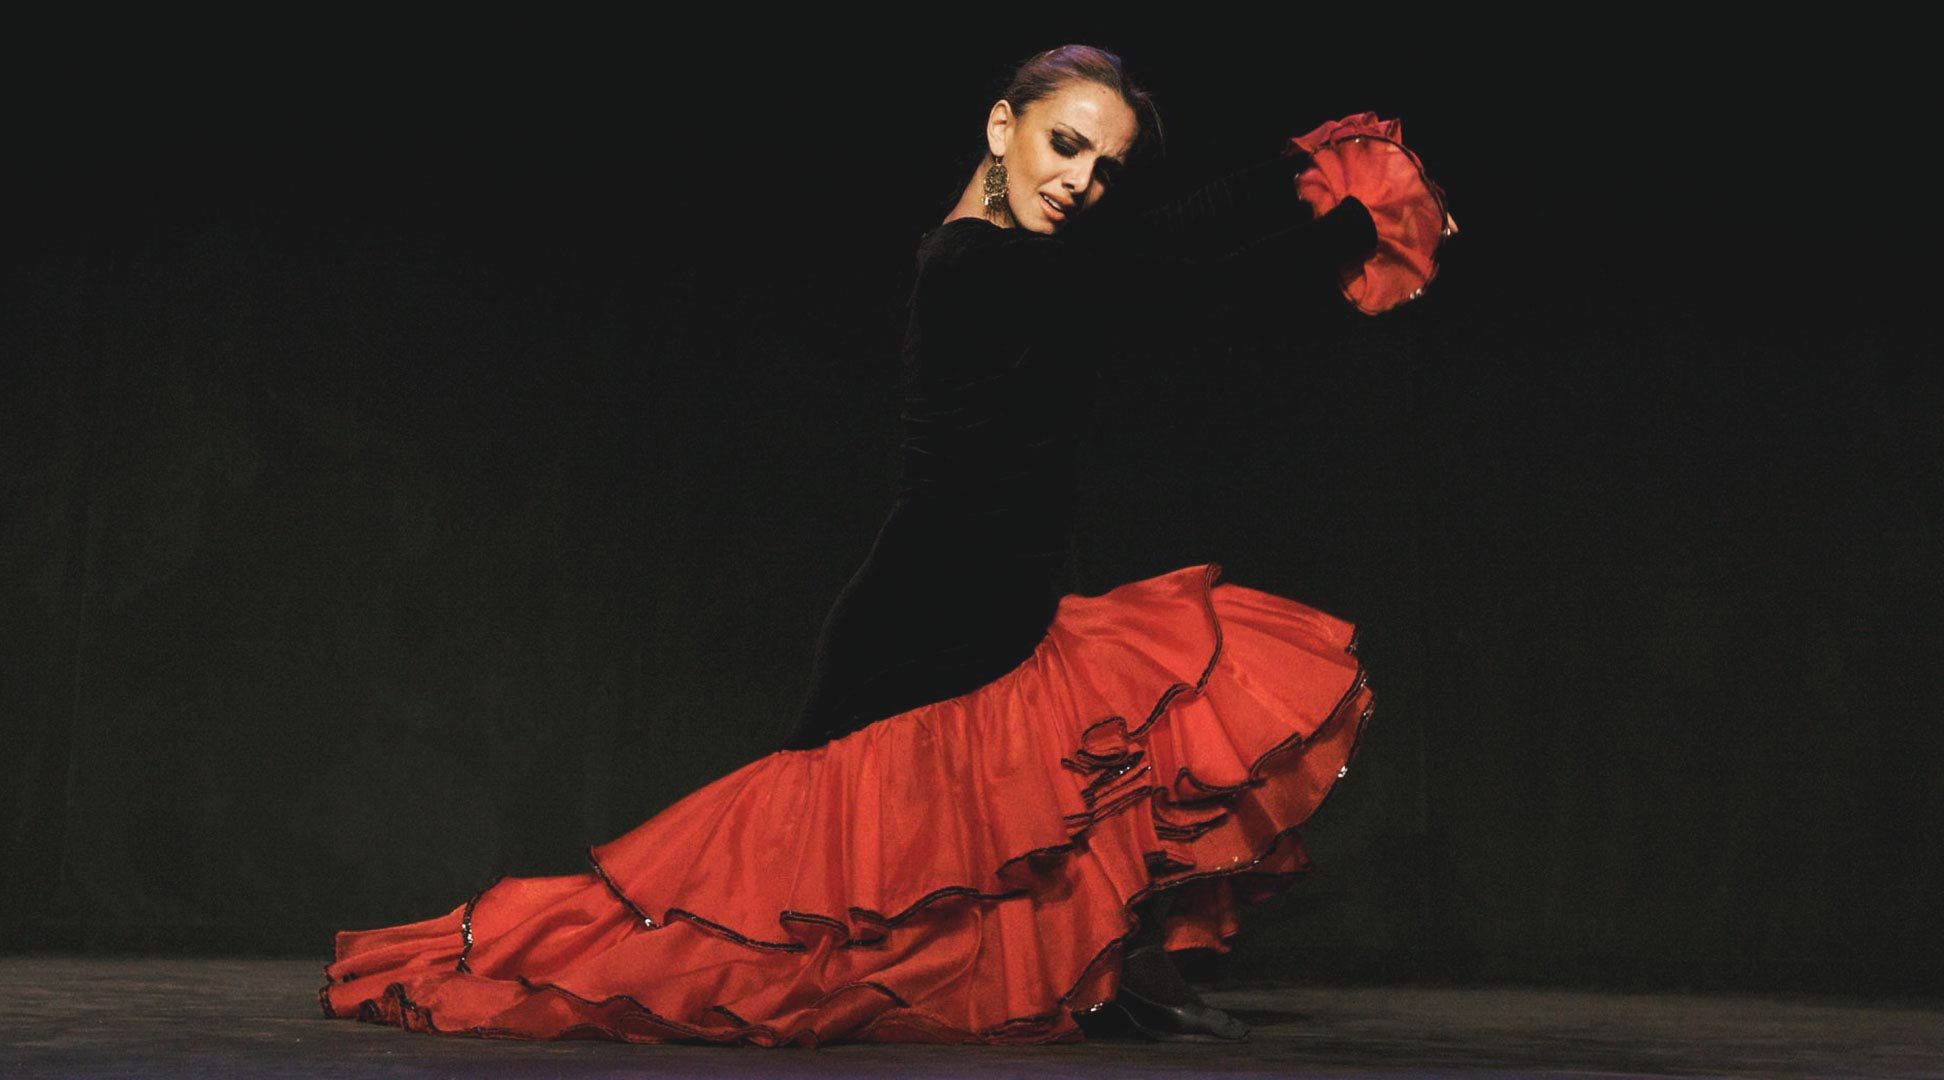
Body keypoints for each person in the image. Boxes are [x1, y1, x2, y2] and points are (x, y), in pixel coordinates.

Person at [319, 44, 1452, 1047]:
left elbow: (1156, 273)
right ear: (1001, 126)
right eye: (1065, 145)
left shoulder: (1038, 263)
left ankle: (1109, 973)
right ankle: (515, 954)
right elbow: (1160, 258)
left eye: (1103, 167)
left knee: (1090, 774)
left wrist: (1314, 197)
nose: (1081, 182)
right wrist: (1312, 174)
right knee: (778, 930)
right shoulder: (974, 264)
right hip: (924, 623)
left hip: (998, 616)